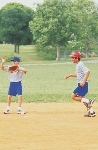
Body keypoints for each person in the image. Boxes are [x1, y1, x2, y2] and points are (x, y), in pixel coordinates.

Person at [65, 51, 96, 117]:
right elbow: (78, 74)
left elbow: (87, 72)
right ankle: (92, 112)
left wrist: (83, 81)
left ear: (77, 58)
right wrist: (70, 75)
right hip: (82, 84)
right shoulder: (78, 65)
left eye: (73, 58)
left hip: (82, 85)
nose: (72, 59)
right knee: (82, 99)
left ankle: (89, 101)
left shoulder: (80, 64)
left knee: (73, 96)